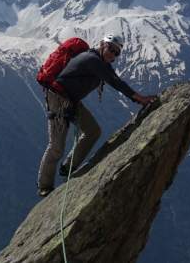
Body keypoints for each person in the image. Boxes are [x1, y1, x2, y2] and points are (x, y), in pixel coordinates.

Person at [36, 34, 157, 197]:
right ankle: (45, 185)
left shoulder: (101, 63)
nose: (112, 54)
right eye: (110, 49)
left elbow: (114, 79)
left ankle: (68, 167)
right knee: (57, 147)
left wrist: (138, 98)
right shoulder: (92, 60)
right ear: (102, 45)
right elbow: (116, 83)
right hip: (58, 98)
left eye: (116, 53)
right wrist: (140, 99)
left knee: (93, 131)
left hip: (71, 100)